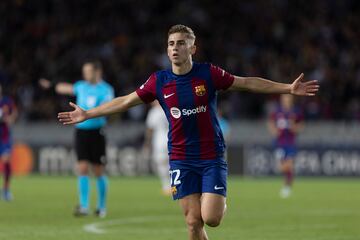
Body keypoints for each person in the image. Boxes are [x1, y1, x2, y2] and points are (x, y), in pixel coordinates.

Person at [58, 25, 319, 239]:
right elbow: (125, 101)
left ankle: (220, 202)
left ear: (192, 48)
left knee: (211, 219)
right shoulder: (158, 81)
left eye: (181, 43)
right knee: (193, 222)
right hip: (181, 159)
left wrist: (287, 88)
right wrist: (87, 114)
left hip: (211, 156)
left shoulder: (208, 73)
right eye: (171, 43)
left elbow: (247, 83)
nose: (175, 48)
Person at [39, 60, 114, 217]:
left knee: (98, 171)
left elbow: (108, 108)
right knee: (82, 168)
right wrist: (51, 85)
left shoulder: (106, 89)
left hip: (97, 132)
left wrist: (90, 113)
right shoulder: (81, 86)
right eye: (84, 71)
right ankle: (84, 206)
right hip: (81, 132)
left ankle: (101, 207)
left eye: (88, 71)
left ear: (96, 72)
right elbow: (65, 88)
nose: (85, 74)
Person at [268, 94, 304, 198]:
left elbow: (301, 125)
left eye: (288, 99)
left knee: (290, 165)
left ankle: (287, 187)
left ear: (291, 100)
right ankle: (286, 184)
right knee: (282, 167)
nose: (286, 100)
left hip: (291, 142)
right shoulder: (277, 111)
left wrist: (295, 127)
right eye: (284, 99)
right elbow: (270, 122)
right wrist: (274, 130)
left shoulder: (296, 111)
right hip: (279, 143)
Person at [143, 100, 171, 195]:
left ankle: (166, 186)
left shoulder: (154, 111)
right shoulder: (169, 108)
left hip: (159, 140)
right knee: (171, 162)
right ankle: (173, 185)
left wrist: (147, 143)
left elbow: (150, 129)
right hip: (171, 138)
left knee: (161, 163)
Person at [0, 84, 18, 201]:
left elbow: (14, 113)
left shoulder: (6, 101)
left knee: (6, 161)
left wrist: (10, 119)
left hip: (4, 137)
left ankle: (6, 190)